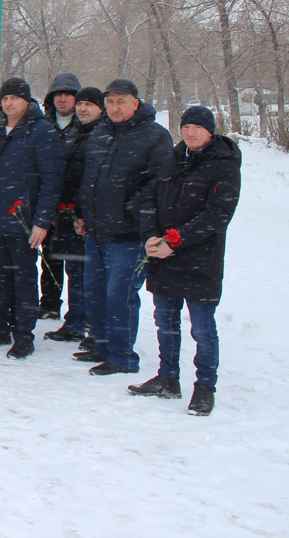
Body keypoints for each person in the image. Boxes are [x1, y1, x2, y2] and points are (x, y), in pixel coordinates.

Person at [130, 106, 240, 417]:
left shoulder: (225, 165)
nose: (190, 133)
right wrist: (150, 235)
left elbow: (218, 214)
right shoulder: (174, 158)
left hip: (200, 260)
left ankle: (205, 387)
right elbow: (150, 199)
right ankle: (168, 378)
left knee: (203, 328)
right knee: (166, 322)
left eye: (197, 127)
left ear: (211, 130)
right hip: (163, 257)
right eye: (186, 126)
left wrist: (175, 241)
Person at [73, 78, 173, 376]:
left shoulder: (154, 136)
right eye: (111, 102)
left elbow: (158, 184)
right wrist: (83, 213)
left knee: (120, 294)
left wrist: (129, 212)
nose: (115, 108)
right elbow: (88, 178)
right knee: (95, 293)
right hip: (96, 231)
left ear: (135, 103)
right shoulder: (100, 132)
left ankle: (122, 356)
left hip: (128, 234)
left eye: (121, 102)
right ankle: (103, 346)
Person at [0, 77, 64, 360]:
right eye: (5, 98)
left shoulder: (42, 132)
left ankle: (24, 334)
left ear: (27, 101)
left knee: (23, 280)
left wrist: (43, 220)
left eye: (15, 98)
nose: (9, 103)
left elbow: (51, 180)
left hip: (24, 221)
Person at [43, 86, 104, 343]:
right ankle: (76, 321)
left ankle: (95, 325)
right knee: (76, 271)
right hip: (71, 214)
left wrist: (86, 211)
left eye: (89, 104)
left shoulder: (105, 134)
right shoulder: (75, 133)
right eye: (81, 104)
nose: (82, 108)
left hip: (97, 217)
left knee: (94, 274)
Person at [39, 73, 82, 319]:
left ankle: (79, 312)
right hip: (49, 201)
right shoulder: (45, 125)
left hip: (77, 203)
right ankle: (49, 303)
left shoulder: (86, 124)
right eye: (58, 94)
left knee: (77, 262)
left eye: (68, 94)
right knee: (50, 256)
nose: (63, 99)